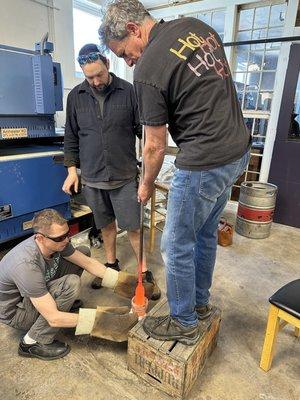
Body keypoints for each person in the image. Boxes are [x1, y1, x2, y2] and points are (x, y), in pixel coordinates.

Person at [99, 0, 251, 345]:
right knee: (205, 232)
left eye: (125, 53)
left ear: (135, 30)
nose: (129, 61)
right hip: (237, 152)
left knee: (176, 243)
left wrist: (146, 184)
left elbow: (153, 144)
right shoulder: (199, 28)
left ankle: (183, 320)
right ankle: (198, 304)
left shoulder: (148, 69)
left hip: (204, 160)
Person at [62, 43, 160, 300]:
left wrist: (149, 172)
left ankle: (143, 271)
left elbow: (146, 134)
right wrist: (72, 170)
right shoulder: (75, 97)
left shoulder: (129, 92)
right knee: (105, 225)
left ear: (107, 63)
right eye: (89, 77)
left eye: (99, 75)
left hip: (124, 176)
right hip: (93, 178)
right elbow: (71, 138)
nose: (95, 81)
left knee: (134, 227)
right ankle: (111, 264)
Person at [0, 209, 153, 360]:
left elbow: (87, 263)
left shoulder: (55, 241)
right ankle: (32, 341)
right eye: (60, 238)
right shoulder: (26, 266)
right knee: (71, 284)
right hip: (17, 311)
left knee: (83, 252)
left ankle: (61, 303)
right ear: (40, 238)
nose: (66, 240)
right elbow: (53, 318)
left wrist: (126, 283)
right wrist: (105, 322)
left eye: (67, 234)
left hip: (34, 294)